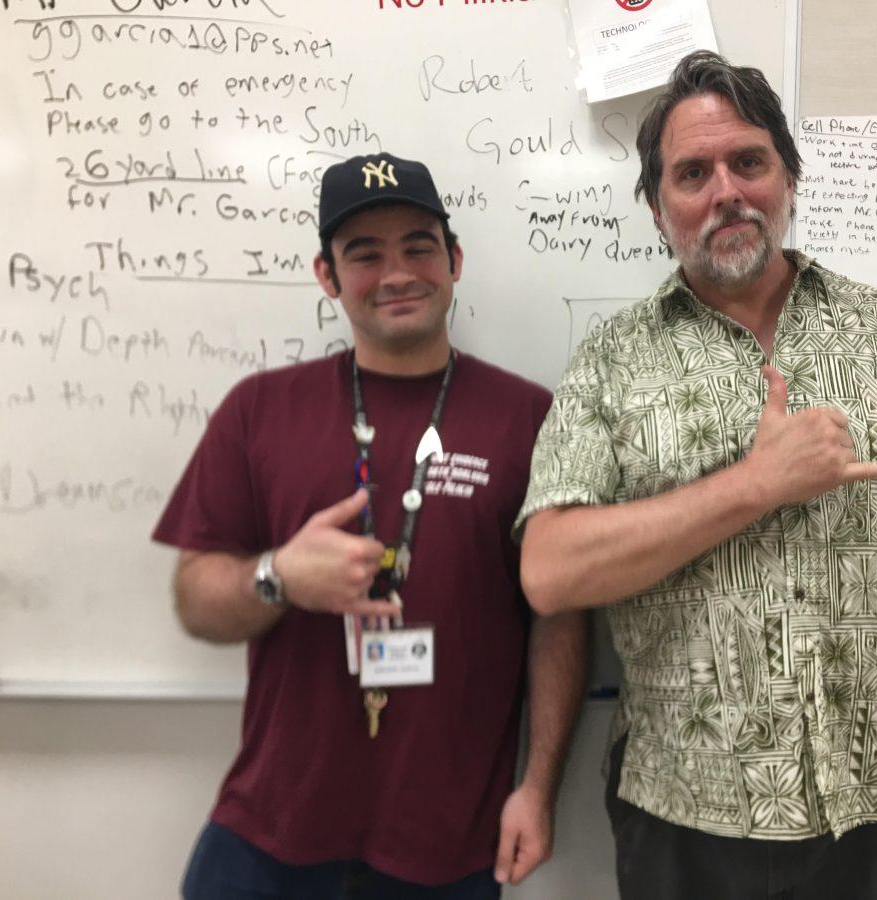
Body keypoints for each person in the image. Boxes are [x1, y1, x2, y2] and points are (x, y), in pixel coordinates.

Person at [517, 52, 877, 899]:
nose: (725, 192)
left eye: (749, 161)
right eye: (691, 173)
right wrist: (756, 483)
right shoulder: (611, 362)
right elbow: (550, 570)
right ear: (656, 207)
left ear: (788, 178)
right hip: (683, 810)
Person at [154, 152, 587, 899]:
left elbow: (560, 617)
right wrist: (279, 577)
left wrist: (539, 787)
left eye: (419, 246)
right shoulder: (259, 411)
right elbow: (196, 597)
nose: (397, 273)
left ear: (454, 261)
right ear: (327, 276)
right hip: (270, 836)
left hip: (449, 847)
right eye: (365, 254)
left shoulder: (529, 418)